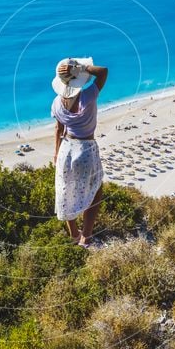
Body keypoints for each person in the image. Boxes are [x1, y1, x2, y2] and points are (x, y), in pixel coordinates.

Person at [51, 57, 108, 248]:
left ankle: (74, 234)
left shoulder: (57, 104)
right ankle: (87, 236)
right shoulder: (88, 96)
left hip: (66, 149)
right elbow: (103, 71)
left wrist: (56, 153)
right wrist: (82, 67)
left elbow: (59, 130)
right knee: (96, 189)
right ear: (78, 79)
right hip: (86, 149)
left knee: (66, 190)